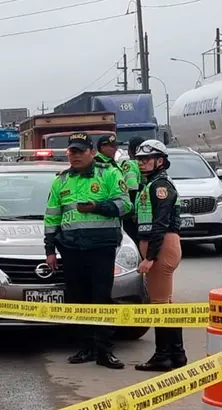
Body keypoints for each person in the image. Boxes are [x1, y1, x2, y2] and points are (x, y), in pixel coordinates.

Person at [44, 133, 132, 369]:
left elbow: (125, 204)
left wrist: (98, 207)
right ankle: (86, 348)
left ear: (92, 152)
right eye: (72, 151)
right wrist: (50, 249)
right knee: (78, 299)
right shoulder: (60, 181)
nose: (75, 156)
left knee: (101, 298)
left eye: (80, 151)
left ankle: (104, 350)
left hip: (101, 248)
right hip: (71, 249)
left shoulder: (109, 173)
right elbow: (52, 216)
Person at [132, 139, 186, 371]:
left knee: (160, 305)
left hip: (162, 245)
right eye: (140, 160)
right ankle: (176, 354)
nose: (142, 163)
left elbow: (160, 224)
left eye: (147, 159)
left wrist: (150, 258)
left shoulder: (160, 186)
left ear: (160, 161)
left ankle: (162, 355)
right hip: (159, 244)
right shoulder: (152, 184)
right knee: (166, 303)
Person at [121, 136, 146, 241]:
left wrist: (133, 212)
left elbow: (132, 189)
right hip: (145, 210)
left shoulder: (130, 165)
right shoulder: (147, 164)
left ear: (131, 150)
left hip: (133, 213)